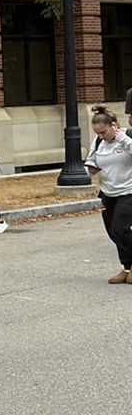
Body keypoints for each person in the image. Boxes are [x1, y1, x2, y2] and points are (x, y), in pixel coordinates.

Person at [84, 105, 132, 284]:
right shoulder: (98, 142)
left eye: (104, 132)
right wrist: (90, 169)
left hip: (128, 191)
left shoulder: (127, 137)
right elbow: (91, 160)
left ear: (113, 125)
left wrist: (123, 139)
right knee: (113, 231)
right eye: (98, 133)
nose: (101, 136)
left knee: (121, 228)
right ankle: (126, 267)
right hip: (108, 192)